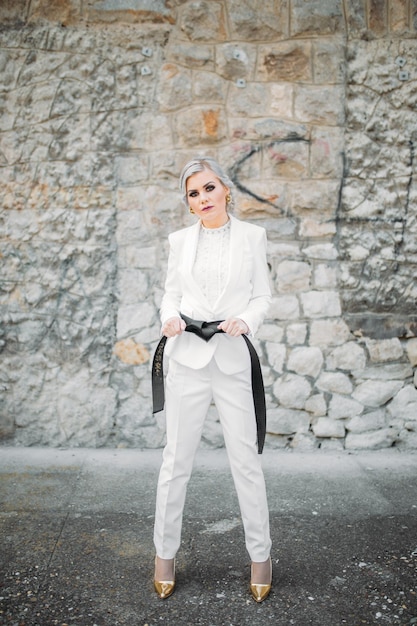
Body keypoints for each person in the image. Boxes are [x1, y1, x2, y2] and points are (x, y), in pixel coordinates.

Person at [152, 156, 273, 602]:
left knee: (246, 463)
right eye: (192, 193)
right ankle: (164, 554)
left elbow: (262, 294)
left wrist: (246, 319)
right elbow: (171, 293)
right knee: (175, 462)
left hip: (231, 360)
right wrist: (168, 317)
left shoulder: (252, 237)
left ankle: (261, 557)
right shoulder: (179, 242)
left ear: (225, 189)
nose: (201, 198)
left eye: (207, 188)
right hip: (186, 360)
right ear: (187, 203)